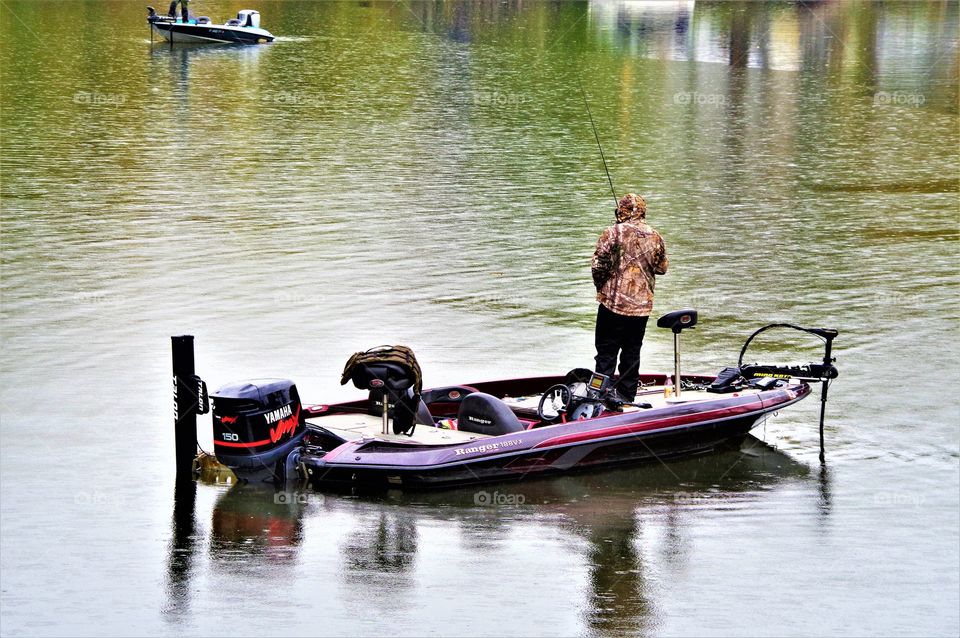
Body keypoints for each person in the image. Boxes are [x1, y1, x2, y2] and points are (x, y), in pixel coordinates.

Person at [591, 192, 668, 406]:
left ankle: (600, 396)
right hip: (641, 308)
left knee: (606, 352)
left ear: (620, 211)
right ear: (643, 211)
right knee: (632, 352)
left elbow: (598, 266)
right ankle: (626, 396)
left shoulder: (612, 233)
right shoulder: (655, 236)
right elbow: (662, 268)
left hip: (612, 305)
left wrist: (602, 287)